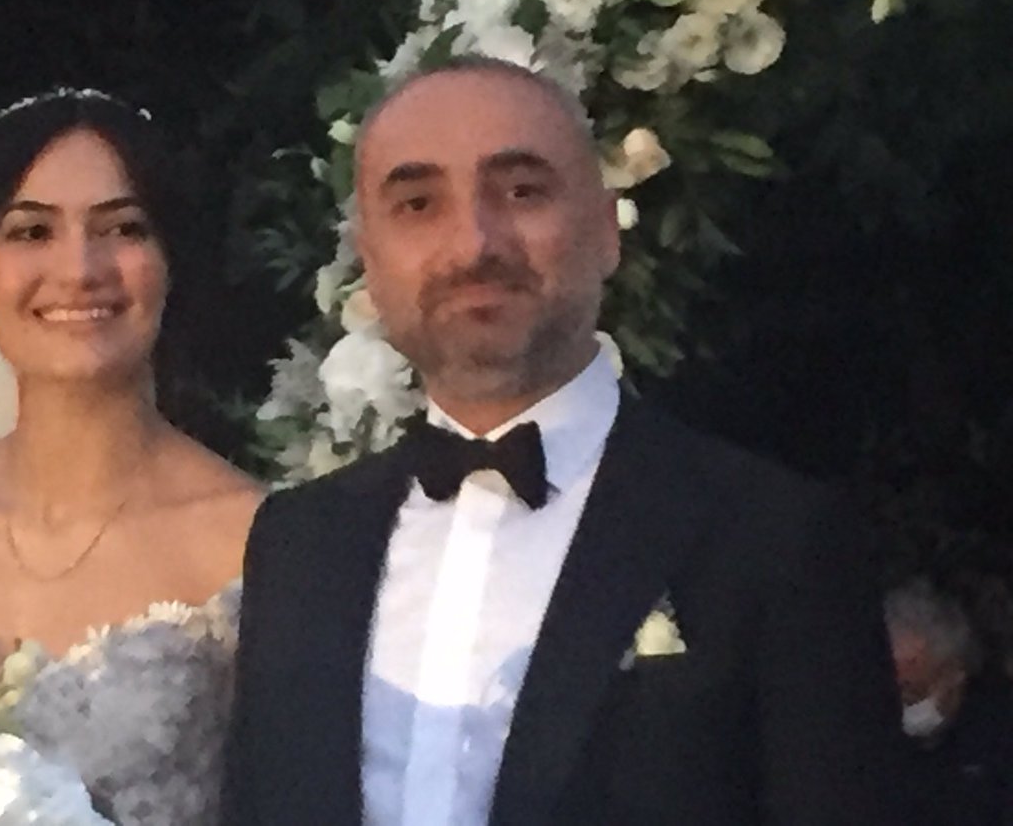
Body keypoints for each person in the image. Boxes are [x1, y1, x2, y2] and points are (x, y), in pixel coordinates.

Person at [225, 56, 907, 826]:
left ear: (606, 229)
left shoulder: (772, 540)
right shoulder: (299, 544)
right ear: (369, 260)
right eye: (418, 204)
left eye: (522, 191)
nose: (473, 243)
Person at [0, 87, 260, 825]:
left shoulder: (254, 542)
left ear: (171, 262)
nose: (79, 268)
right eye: (31, 231)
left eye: (122, 228)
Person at [886, 580, 1013, 825]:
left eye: (912, 691)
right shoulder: (862, 733)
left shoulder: (1000, 734)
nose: (902, 703)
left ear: (953, 674)